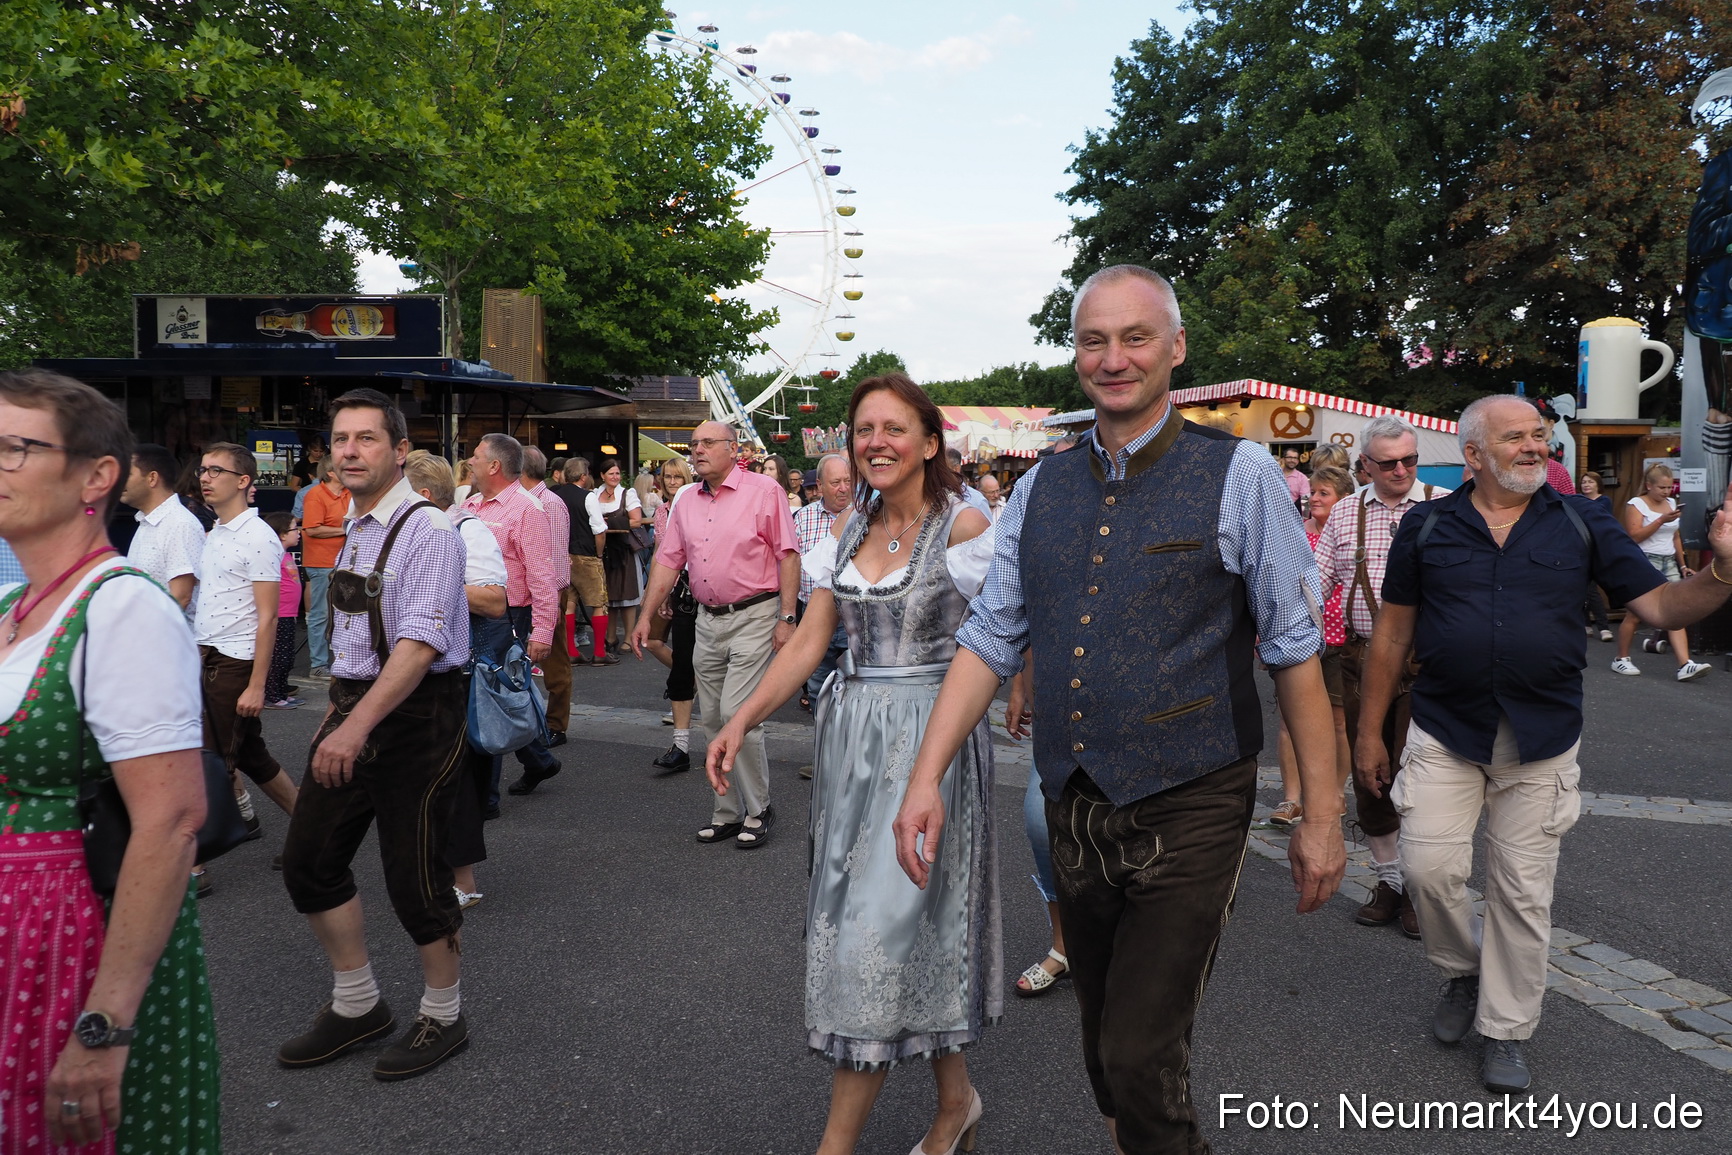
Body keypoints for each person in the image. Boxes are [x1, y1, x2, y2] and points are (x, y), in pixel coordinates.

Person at [893, 265, 1342, 1155]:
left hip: (1194, 793)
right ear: (1076, 355)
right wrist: (924, 777)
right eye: (1095, 339)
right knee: (1106, 1051)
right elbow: (990, 636)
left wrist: (1322, 817)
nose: (1114, 357)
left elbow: (1295, 655)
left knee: (1139, 1054)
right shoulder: (1037, 489)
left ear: (1175, 348)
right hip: (1075, 798)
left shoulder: (1242, 473)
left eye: (1136, 337)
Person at [1355, 394, 1732, 1093]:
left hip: (1544, 738)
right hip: (1445, 730)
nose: (1535, 446)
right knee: (1429, 871)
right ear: (1473, 454)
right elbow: (1393, 634)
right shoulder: (1427, 526)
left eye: (1540, 435)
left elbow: (1660, 607)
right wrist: (1368, 733)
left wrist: (1723, 570)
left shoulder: (1582, 521)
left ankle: (1506, 1028)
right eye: (1516, 438)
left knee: (1523, 892)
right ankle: (1466, 973)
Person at [707, 374, 997, 1155]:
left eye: (894, 427)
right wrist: (742, 716)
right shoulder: (850, 524)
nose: (875, 441)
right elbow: (808, 640)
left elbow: (998, 641)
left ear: (930, 441)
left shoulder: (967, 527)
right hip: (852, 742)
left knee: (880, 930)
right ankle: (956, 1100)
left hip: (928, 740)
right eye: (863, 428)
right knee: (900, 926)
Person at [0, 367, 219, 1152]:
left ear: (98, 476)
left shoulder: (122, 605)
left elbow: (171, 820)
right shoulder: (12, 608)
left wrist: (104, 1024)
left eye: (13, 449)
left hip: (74, 935)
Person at [278, 388, 474, 1081]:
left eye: (366, 438)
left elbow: (419, 646)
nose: (351, 450)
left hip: (418, 714)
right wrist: (342, 719)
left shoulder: (429, 530)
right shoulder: (356, 528)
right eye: (340, 438)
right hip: (357, 704)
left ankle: (443, 1014)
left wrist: (352, 728)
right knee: (309, 857)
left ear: (399, 450)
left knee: (413, 875)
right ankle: (358, 1001)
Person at [630, 420, 799, 848]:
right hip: (706, 619)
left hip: (755, 615)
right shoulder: (686, 500)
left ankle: (759, 809)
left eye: (707, 443)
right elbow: (668, 561)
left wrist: (787, 616)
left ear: (733, 447)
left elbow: (787, 554)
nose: (698, 450)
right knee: (711, 716)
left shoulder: (764, 491)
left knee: (738, 711)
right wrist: (646, 616)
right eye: (694, 444)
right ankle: (727, 811)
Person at [1312, 413, 1448, 938]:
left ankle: (1416, 888)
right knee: (1372, 777)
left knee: (1426, 778)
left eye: (1410, 460)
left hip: (1431, 662)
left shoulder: (1443, 504)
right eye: (1388, 462)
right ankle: (1391, 880)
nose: (1401, 470)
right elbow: (1316, 579)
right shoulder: (1346, 511)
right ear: (1365, 464)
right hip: (1362, 660)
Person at [404, 450, 507, 908]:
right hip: (416, 670)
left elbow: (495, 601)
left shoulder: (467, 529)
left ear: (424, 496)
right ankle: (433, 868)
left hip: (461, 672)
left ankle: (463, 882)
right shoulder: (414, 531)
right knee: (421, 776)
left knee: (457, 779)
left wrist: (429, 585)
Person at [195, 441, 298, 886]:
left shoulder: (258, 537)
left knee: (209, 761)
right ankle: (315, 831)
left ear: (243, 481)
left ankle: (191, 864)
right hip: (209, 655)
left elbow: (268, 615)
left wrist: (258, 685)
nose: (205, 477)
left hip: (237, 663)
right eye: (202, 469)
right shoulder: (214, 532)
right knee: (251, 755)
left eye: (216, 470)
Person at [464, 433, 563, 797]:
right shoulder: (472, 503)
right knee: (499, 692)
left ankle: (485, 799)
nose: (469, 462)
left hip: (512, 615)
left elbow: (543, 575)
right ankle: (539, 760)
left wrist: (542, 632)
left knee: (491, 694)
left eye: (475, 455)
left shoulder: (526, 509)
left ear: (494, 465)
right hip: (478, 611)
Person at [1612, 463, 1711, 681]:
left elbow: (1675, 536)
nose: (1667, 492)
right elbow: (1634, 536)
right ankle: (1621, 658)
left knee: (1675, 613)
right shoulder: (1636, 504)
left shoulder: (1671, 503)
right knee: (1636, 614)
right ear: (1649, 486)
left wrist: (1683, 564)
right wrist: (1660, 520)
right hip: (1645, 560)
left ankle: (1685, 664)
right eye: (1662, 488)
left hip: (1669, 561)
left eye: (1669, 488)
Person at [643, 456, 699, 771]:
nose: (672, 481)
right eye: (667, 477)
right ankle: (680, 746)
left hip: (705, 591)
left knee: (710, 663)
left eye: (678, 477)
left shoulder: (695, 503)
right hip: (678, 591)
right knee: (656, 644)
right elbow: (661, 556)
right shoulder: (664, 510)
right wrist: (658, 594)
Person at [520, 445, 574, 744]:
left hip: (546, 591)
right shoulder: (527, 501)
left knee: (554, 662)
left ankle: (556, 725)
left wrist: (549, 603)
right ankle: (535, 722)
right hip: (525, 591)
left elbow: (554, 562)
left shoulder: (549, 503)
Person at [793, 453, 853, 715]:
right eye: (836, 482)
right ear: (819, 486)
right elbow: (790, 565)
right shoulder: (802, 518)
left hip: (854, 616)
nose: (843, 488)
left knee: (857, 686)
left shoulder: (867, 517)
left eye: (848, 481)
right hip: (814, 614)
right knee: (817, 685)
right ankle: (825, 745)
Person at [122, 442, 204, 618]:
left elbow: (181, 596)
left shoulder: (179, 524)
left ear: (152, 478)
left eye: (127, 474)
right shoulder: (147, 521)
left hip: (166, 641)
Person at [550, 456, 611, 667]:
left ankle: (571, 651)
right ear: (584, 477)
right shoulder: (588, 497)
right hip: (586, 555)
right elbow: (599, 530)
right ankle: (600, 652)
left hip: (562, 557)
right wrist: (599, 555)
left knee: (569, 604)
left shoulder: (553, 494)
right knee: (599, 603)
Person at [588, 457, 645, 653]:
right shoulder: (595, 494)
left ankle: (628, 638)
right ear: (602, 475)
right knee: (608, 597)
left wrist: (608, 523)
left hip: (623, 550)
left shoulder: (627, 494)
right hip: (603, 550)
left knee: (627, 596)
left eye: (618, 473)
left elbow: (636, 521)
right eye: (611, 473)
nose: (615, 476)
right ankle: (610, 637)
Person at [300, 458, 348, 678]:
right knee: (320, 615)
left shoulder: (348, 493)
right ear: (330, 473)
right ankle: (318, 664)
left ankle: (339, 660)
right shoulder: (315, 495)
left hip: (342, 562)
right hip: (321, 563)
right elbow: (311, 530)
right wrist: (343, 530)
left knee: (342, 614)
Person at [261, 510, 305, 710]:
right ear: (281, 534)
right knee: (279, 657)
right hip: (280, 614)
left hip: (290, 613)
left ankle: (280, 692)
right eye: (294, 529)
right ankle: (272, 695)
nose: (299, 533)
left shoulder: (285, 554)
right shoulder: (274, 554)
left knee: (286, 657)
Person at [1578, 471, 1615, 641]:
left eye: (1590, 482)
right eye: (1584, 482)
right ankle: (1586, 624)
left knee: (1591, 588)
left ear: (1597, 484)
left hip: (1597, 547)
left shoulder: (1603, 501)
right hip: (1580, 546)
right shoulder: (1578, 500)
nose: (1586, 485)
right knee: (1583, 586)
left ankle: (1603, 627)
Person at [944, 447, 994, 519]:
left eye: (942, 469)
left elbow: (987, 529)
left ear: (956, 468)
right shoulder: (932, 496)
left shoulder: (976, 500)